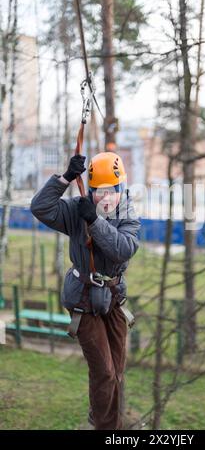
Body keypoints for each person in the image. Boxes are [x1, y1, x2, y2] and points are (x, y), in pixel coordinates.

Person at [30, 152, 141, 430]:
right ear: (90, 191)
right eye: (98, 192)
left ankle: (110, 422)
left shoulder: (128, 215)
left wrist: (95, 222)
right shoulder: (78, 209)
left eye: (111, 192)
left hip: (113, 299)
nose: (105, 199)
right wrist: (65, 179)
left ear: (120, 191)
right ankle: (104, 428)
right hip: (83, 300)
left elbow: (122, 250)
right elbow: (40, 208)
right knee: (104, 371)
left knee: (117, 371)